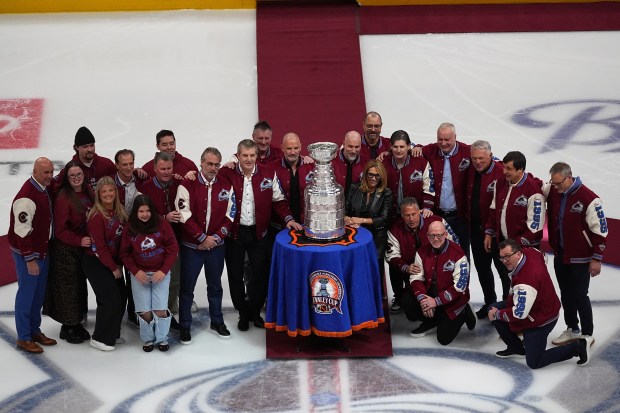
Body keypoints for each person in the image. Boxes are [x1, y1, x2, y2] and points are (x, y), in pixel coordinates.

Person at [219, 139, 302, 331]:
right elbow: (211, 179)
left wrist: (288, 219)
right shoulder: (226, 173)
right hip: (235, 235)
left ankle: (255, 311)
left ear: (257, 156)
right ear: (237, 156)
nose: (249, 159)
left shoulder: (268, 174)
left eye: (252, 155)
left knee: (260, 274)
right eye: (245, 155)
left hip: (259, 233)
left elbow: (279, 201)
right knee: (235, 275)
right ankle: (242, 312)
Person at [488, 239, 593, 368]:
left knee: (534, 362)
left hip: (542, 318)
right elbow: (543, 257)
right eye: (502, 257)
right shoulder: (531, 251)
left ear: (518, 254)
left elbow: (519, 314)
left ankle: (578, 347)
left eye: (508, 256)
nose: (504, 261)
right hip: (543, 305)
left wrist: (498, 315)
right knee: (493, 308)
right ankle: (516, 348)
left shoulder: (525, 282)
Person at [175, 148, 236, 343]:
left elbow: (231, 214)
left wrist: (215, 239)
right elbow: (184, 214)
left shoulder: (226, 185)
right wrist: (202, 238)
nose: (213, 168)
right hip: (192, 248)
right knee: (187, 288)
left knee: (215, 286)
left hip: (216, 248)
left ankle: (217, 321)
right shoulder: (187, 184)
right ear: (201, 163)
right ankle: (185, 325)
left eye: (217, 164)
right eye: (209, 164)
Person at [545, 162, 608, 346]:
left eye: (559, 183)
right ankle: (572, 328)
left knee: (580, 295)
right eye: (553, 183)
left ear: (569, 177)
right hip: (561, 254)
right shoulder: (555, 191)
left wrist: (597, 258)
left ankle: (588, 334)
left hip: (581, 257)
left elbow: (601, 230)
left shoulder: (589, 198)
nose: (555, 187)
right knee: (566, 294)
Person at [9, 157, 57, 353]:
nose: (49, 176)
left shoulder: (42, 188)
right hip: (28, 253)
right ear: (35, 171)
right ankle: (23, 337)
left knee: (38, 295)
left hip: (41, 250)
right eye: (45, 172)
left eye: (51, 172)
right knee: (27, 294)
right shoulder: (27, 197)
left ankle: (34, 330)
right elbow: (21, 231)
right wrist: (29, 258)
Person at [120, 195, 179, 352]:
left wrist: (163, 270)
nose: (145, 214)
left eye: (147, 211)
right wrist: (135, 271)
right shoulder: (130, 228)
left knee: (160, 309)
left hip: (160, 273)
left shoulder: (162, 224)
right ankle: (148, 339)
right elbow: (124, 253)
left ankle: (162, 338)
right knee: (144, 310)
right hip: (140, 275)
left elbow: (173, 249)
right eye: (141, 211)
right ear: (135, 212)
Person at [402, 221, 476, 344]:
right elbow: (416, 278)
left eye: (439, 235)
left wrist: (435, 302)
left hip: (452, 301)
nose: (435, 239)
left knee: (444, 339)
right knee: (406, 300)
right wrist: (423, 300)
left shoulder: (458, 253)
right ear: (427, 235)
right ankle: (432, 320)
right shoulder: (421, 251)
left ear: (446, 234)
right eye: (432, 236)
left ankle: (465, 310)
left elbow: (460, 286)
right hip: (430, 296)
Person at [43, 161, 93, 344]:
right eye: (72, 176)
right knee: (68, 289)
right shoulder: (64, 198)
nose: (76, 178)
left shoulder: (88, 192)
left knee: (79, 285)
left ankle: (75, 322)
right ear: (67, 178)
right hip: (65, 250)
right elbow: (61, 230)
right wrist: (79, 240)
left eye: (79, 174)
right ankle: (68, 326)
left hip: (80, 249)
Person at [385, 197, 458, 313]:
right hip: (413, 272)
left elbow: (455, 244)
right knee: (409, 305)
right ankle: (401, 297)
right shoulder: (394, 230)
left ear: (419, 212)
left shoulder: (437, 222)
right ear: (402, 216)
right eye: (407, 215)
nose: (411, 219)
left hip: (438, 269)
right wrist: (405, 267)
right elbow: (392, 256)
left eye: (414, 214)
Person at [414, 122, 471, 261]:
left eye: (447, 139)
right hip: (438, 216)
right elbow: (409, 149)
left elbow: (488, 159)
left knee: (462, 258)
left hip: (460, 218)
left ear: (455, 137)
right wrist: (416, 147)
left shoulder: (467, 151)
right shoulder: (430, 150)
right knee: (438, 258)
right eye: (440, 139)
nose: (443, 143)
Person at [83, 176, 128, 351]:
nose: (108, 194)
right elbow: (98, 247)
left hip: (113, 262)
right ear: (98, 195)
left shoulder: (119, 212)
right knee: (110, 300)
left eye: (111, 190)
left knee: (122, 295)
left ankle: (112, 333)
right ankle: (99, 338)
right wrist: (113, 268)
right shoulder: (96, 216)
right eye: (104, 191)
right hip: (96, 262)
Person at [140, 152, 183, 328]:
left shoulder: (180, 184)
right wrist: (164, 217)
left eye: (169, 168)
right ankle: (148, 316)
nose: (166, 172)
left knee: (174, 280)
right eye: (162, 169)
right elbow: (141, 215)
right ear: (155, 169)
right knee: (151, 281)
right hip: (152, 244)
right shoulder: (146, 188)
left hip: (175, 242)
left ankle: (167, 313)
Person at [467, 140, 509, 319]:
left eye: (481, 158)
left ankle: (508, 307)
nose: (477, 162)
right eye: (474, 158)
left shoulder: (501, 172)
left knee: (504, 272)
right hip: (476, 231)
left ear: (491, 156)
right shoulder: (470, 169)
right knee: (483, 270)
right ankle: (490, 302)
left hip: (497, 235)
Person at [345, 160, 393, 288]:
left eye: (377, 175)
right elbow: (344, 209)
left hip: (376, 237)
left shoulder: (386, 193)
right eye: (370, 175)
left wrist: (360, 220)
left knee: (374, 271)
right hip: (355, 235)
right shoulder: (354, 188)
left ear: (382, 176)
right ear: (365, 175)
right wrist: (347, 219)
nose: (373, 178)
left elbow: (383, 218)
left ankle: (377, 297)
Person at [114, 149, 148, 328]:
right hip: (114, 238)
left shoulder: (141, 179)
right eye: (124, 164)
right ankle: (115, 317)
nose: (128, 168)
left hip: (135, 237)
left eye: (131, 164)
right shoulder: (111, 184)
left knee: (135, 276)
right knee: (117, 279)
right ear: (117, 165)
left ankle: (135, 313)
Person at [484, 151, 545, 251]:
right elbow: (494, 209)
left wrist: (516, 246)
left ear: (520, 169)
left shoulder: (533, 191)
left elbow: (535, 227)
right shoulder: (500, 182)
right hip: (504, 244)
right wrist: (489, 232)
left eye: (509, 169)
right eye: (504, 167)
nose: (504, 171)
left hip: (525, 248)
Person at [381, 130, 434, 220]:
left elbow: (429, 188)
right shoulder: (383, 163)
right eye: (395, 147)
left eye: (402, 147)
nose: (398, 150)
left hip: (415, 216)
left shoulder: (421, 163)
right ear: (390, 146)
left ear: (409, 146)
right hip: (390, 216)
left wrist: (427, 207)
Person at [268, 132, 314, 224]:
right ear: (282, 148)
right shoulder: (271, 169)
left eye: (296, 148)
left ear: (300, 147)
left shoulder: (311, 166)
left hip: (307, 224)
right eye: (289, 148)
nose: (293, 152)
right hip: (279, 225)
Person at [51, 126, 116, 192]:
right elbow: (57, 191)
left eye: (92, 145)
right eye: (85, 147)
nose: (90, 149)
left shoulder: (106, 164)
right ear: (77, 147)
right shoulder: (70, 169)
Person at [332, 131, 368, 197]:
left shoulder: (367, 163)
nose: (353, 151)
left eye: (357, 147)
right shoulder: (331, 161)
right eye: (350, 146)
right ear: (344, 144)